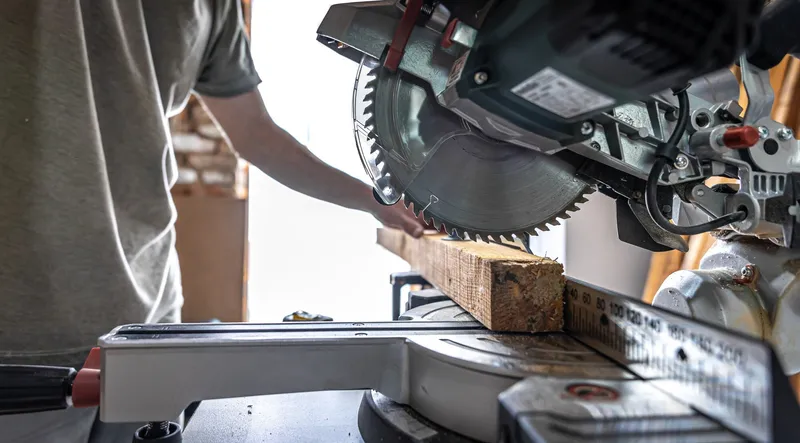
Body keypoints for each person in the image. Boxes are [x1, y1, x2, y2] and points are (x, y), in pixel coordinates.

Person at [0, 1, 424, 441]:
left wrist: (374, 200)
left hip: (147, 322)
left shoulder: (213, 6)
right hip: (23, 344)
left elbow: (255, 133)